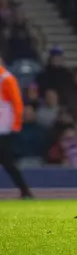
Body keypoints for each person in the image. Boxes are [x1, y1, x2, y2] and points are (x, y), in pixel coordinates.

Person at [0, 60, 33, 199]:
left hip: (3, 128)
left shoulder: (6, 79)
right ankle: (25, 191)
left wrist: (16, 124)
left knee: (8, 162)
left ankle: (25, 191)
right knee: (8, 162)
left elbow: (17, 102)